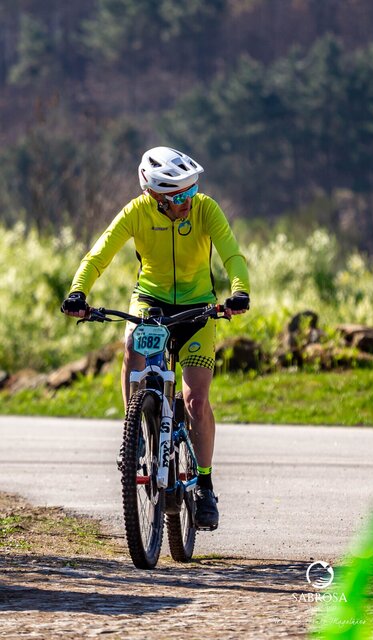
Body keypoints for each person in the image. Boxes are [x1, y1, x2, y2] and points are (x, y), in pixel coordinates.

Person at [61, 146, 250, 531]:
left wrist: (239, 291)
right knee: (133, 347)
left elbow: (232, 255)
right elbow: (98, 255)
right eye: (178, 196)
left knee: (196, 400)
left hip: (198, 309)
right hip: (151, 302)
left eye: (191, 190)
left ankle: (205, 485)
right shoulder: (136, 212)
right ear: (154, 196)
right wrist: (78, 291)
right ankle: (132, 437)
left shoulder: (205, 209)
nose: (187, 201)